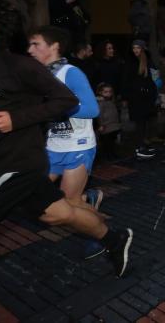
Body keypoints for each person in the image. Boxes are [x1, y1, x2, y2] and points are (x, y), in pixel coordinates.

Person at [0, 0, 132, 322]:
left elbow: (68, 100)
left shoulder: (19, 66)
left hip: (13, 165)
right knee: (59, 214)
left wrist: (18, 117)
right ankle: (114, 237)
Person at [27, 25, 105, 259]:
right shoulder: (39, 75)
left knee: (68, 201)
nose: (29, 50)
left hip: (78, 146)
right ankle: (87, 199)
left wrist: (53, 109)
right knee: (34, 193)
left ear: (54, 47)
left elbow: (91, 109)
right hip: (53, 148)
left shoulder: (71, 72)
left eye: (35, 44)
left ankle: (100, 237)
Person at [122, 39, 157, 159]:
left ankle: (143, 145)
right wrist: (126, 96)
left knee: (145, 122)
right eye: (134, 48)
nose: (135, 50)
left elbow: (149, 79)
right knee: (140, 123)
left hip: (146, 97)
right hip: (136, 98)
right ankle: (139, 147)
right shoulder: (130, 62)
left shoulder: (146, 60)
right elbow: (127, 80)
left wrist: (152, 92)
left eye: (138, 47)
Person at [95, 82, 121, 162]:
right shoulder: (101, 102)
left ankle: (112, 154)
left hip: (113, 125)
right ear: (100, 92)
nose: (108, 94)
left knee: (112, 141)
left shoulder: (112, 101)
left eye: (110, 92)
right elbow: (99, 114)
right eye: (105, 92)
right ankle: (106, 156)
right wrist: (100, 125)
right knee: (106, 142)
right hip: (105, 126)